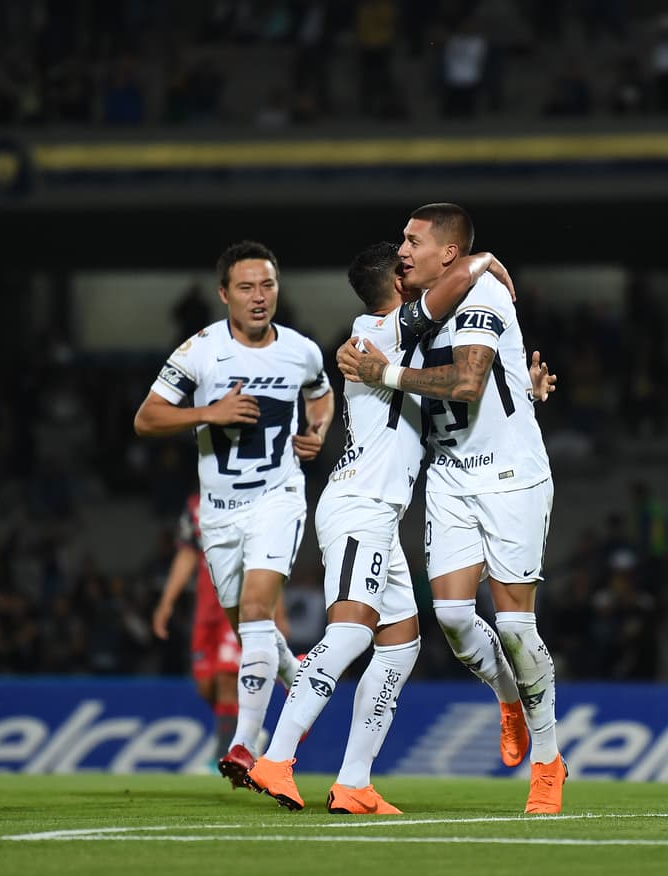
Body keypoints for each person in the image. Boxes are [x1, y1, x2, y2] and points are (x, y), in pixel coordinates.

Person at [248, 241, 553, 813]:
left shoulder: (399, 339)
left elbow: (463, 396)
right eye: (406, 262)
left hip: (379, 514)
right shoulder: (382, 333)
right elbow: (456, 279)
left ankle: (355, 782)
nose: (415, 267)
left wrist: (522, 389)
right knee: (351, 633)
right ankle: (276, 757)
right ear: (396, 281)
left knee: (399, 644)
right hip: (359, 504)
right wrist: (484, 260)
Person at [338, 203, 564, 814]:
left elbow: (466, 384)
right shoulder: (416, 312)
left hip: (512, 477)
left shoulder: (482, 293)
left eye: (413, 241)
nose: (402, 250)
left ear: (448, 253)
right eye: (400, 241)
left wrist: (383, 371)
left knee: (515, 627)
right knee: (457, 619)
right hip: (451, 475)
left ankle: (548, 762)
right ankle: (509, 698)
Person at [134, 240, 334, 790]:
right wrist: (209, 412)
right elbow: (146, 418)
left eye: (267, 285)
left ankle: (246, 745)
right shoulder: (198, 352)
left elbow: (321, 395)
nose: (258, 297)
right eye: (245, 287)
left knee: (255, 609)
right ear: (224, 294)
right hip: (219, 514)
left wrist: (316, 432)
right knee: (251, 631)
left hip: (277, 499)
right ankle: (302, 682)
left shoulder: (301, 350)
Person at [151, 493, 241, 764]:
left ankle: (224, 757)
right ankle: (245, 731)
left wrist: (276, 609)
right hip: (205, 609)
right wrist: (166, 602)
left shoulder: (248, 494)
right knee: (205, 685)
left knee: (227, 678)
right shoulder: (195, 505)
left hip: (237, 602)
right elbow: (187, 554)